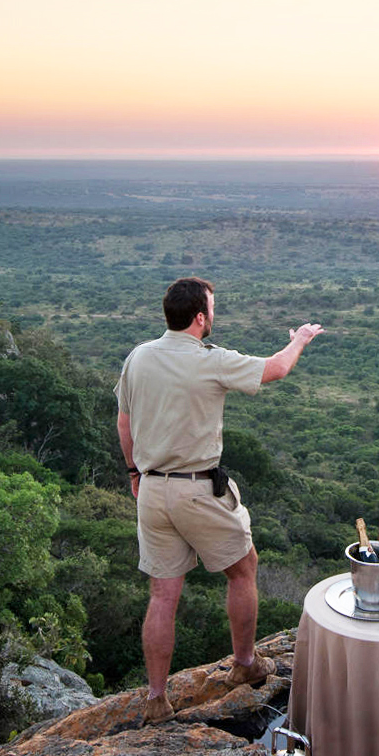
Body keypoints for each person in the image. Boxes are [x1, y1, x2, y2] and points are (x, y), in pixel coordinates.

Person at [115, 276, 324, 723]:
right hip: (197, 487)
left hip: (151, 490)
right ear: (199, 318)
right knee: (243, 567)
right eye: (212, 308)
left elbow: (124, 421)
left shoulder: (139, 357)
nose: (215, 315)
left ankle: (156, 698)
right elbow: (277, 369)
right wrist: (301, 339)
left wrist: (135, 472)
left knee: (163, 594)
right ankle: (245, 667)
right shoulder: (209, 360)